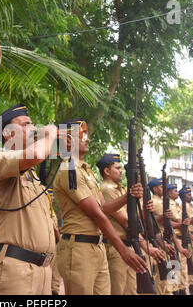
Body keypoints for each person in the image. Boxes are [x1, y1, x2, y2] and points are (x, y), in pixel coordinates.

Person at [53, 120, 147, 295]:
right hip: (79, 248)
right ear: (67, 140)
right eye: (82, 134)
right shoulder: (69, 169)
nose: (88, 139)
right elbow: (97, 214)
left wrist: (128, 196)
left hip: (96, 246)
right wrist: (123, 250)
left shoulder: (85, 171)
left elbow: (103, 207)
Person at [0, 104, 58, 295]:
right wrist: (50, 135)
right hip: (15, 271)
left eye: (33, 124)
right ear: (7, 133)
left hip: (42, 272)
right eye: (25, 124)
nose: (33, 128)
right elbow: (38, 154)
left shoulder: (33, 176)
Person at [97, 154, 164, 295]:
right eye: (117, 168)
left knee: (131, 290)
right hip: (117, 248)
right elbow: (126, 221)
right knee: (118, 290)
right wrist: (145, 245)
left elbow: (134, 220)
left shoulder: (119, 189)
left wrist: (145, 210)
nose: (121, 171)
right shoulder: (107, 189)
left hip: (129, 245)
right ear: (107, 171)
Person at [150, 180, 190, 295]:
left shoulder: (163, 202)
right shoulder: (155, 202)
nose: (164, 189)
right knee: (164, 277)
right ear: (154, 189)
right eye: (161, 187)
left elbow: (170, 225)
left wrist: (179, 247)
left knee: (173, 274)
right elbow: (154, 223)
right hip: (161, 241)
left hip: (169, 241)